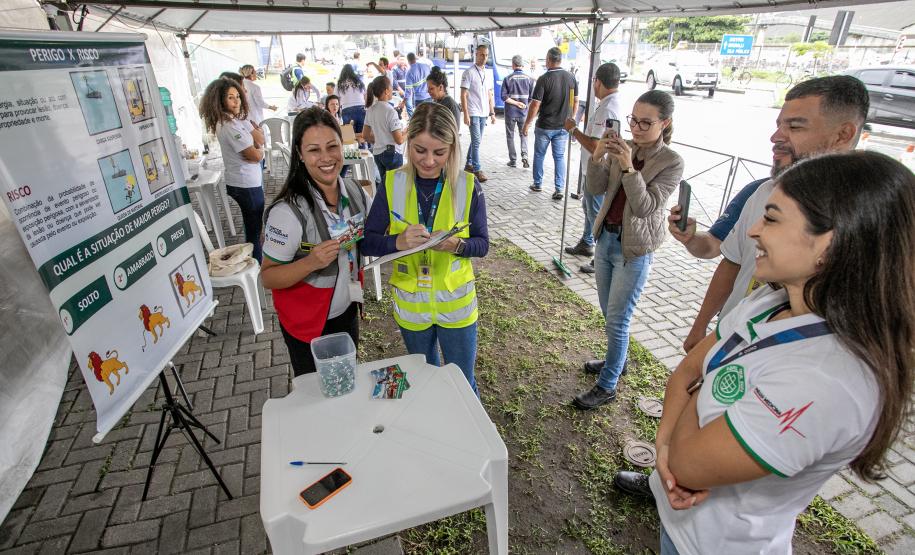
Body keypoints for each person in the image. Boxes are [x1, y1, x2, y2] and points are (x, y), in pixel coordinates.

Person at [641, 151, 914, 555]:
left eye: (771, 218)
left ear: (829, 244)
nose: (752, 230)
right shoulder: (770, 301)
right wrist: (664, 450)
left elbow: (688, 461)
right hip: (681, 526)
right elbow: (683, 374)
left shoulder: (827, 379)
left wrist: (676, 447)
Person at [666, 76, 868, 353]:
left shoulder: (868, 219)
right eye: (779, 126)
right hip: (731, 339)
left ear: (843, 135)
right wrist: (701, 325)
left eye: (795, 126)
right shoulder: (763, 191)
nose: (776, 137)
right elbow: (731, 261)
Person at [361, 102, 489, 394]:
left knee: (462, 384)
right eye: (420, 150)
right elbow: (367, 240)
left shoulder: (468, 185)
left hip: (456, 306)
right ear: (408, 143)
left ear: (452, 148)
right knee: (425, 382)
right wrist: (397, 241)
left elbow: (482, 244)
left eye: (439, 152)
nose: (429, 161)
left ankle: (465, 435)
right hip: (412, 305)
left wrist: (457, 245)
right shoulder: (393, 183)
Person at [573, 90, 683, 410]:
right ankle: (616, 362)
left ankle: (608, 385)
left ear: (665, 123)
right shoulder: (626, 147)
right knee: (609, 314)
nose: (635, 128)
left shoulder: (671, 161)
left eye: (645, 122)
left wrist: (628, 168)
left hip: (633, 250)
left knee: (618, 320)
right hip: (605, 240)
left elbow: (645, 206)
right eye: (632, 120)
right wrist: (597, 157)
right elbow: (594, 188)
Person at [260, 107, 369, 376]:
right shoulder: (287, 212)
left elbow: (374, 239)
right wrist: (310, 262)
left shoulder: (355, 191)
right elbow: (268, 278)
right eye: (314, 150)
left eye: (332, 146)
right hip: (306, 323)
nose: (326, 158)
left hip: (345, 312)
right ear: (299, 154)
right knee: (315, 397)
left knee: (345, 383)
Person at [563, 62, 623, 273]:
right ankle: (587, 242)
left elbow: (596, 145)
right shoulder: (607, 103)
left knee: (597, 213)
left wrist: (573, 130)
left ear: (598, 81)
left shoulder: (608, 107)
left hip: (598, 171)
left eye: (594, 82)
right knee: (589, 208)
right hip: (591, 169)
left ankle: (601, 257)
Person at [199, 77, 266, 262]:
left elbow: (259, 139)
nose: (236, 101)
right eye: (230, 97)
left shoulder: (236, 119)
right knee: (254, 229)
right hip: (245, 183)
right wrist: (260, 152)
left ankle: (256, 260)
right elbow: (254, 154)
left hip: (249, 180)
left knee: (253, 225)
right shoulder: (228, 125)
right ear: (220, 100)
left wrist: (257, 148)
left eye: (238, 96)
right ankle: (257, 265)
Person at [522, 47, 578, 200]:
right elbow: (575, 101)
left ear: (548, 60)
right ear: (560, 59)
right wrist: (571, 118)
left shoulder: (543, 79)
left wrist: (527, 124)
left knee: (539, 155)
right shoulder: (571, 77)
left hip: (545, 126)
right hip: (563, 127)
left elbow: (535, 105)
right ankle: (559, 189)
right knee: (559, 157)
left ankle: (538, 184)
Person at [460, 44, 495, 183]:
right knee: (476, 142)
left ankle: (469, 163)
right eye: (482, 54)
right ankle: (477, 169)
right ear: (476, 54)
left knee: (477, 141)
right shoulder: (469, 72)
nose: (484, 57)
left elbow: (489, 93)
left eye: (486, 55)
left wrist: (492, 112)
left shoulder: (488, 72)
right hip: (474, 111)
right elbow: (463, 94)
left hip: (484, 112)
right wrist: (466, 114)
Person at [363, 76, 405, 183]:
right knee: (396, 190)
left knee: (385, 188)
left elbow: (366, 136)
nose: (392, 89)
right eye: (391, 87)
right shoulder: (390, 111)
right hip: (392, 154)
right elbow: (399, 140)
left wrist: (380, 139)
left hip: (378, 154)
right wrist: (410, 130)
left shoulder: (370, 110)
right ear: (386, 91)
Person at [500, 55, 535, 169]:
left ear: (513, 65)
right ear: (522, 65)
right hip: (523, 113)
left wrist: (515, 103)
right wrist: (524, 104)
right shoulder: (529, 79)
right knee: (523, 134)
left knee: (510, 135)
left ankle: (513, 160)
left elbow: (504, 97)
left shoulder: (508, 78)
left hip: (510, 112)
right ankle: (524, 155)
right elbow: (533, 98)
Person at [426, 66, 461, 131]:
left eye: (431, 88)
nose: (428, 91)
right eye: (428, 89)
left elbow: (455, 131)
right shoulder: (436, 101)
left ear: (441, 87)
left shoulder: (451, 104)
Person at [337, 64, 367, 137]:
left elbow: (336, 98)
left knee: (349, 136)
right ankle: (362, 148)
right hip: (361, 108)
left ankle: (352, 148)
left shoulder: (339, 84)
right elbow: (366, 95)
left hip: (346, 110)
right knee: (361, 135)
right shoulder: (359, 82)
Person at [404, 52, 431, 117]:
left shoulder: (409, 72)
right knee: (429, 117)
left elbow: (408, 92)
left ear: (408, 61)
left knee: (421, 119)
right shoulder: (426, 66)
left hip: (419, 99)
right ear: (415, 58)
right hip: (429, 96)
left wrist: (403, 101)